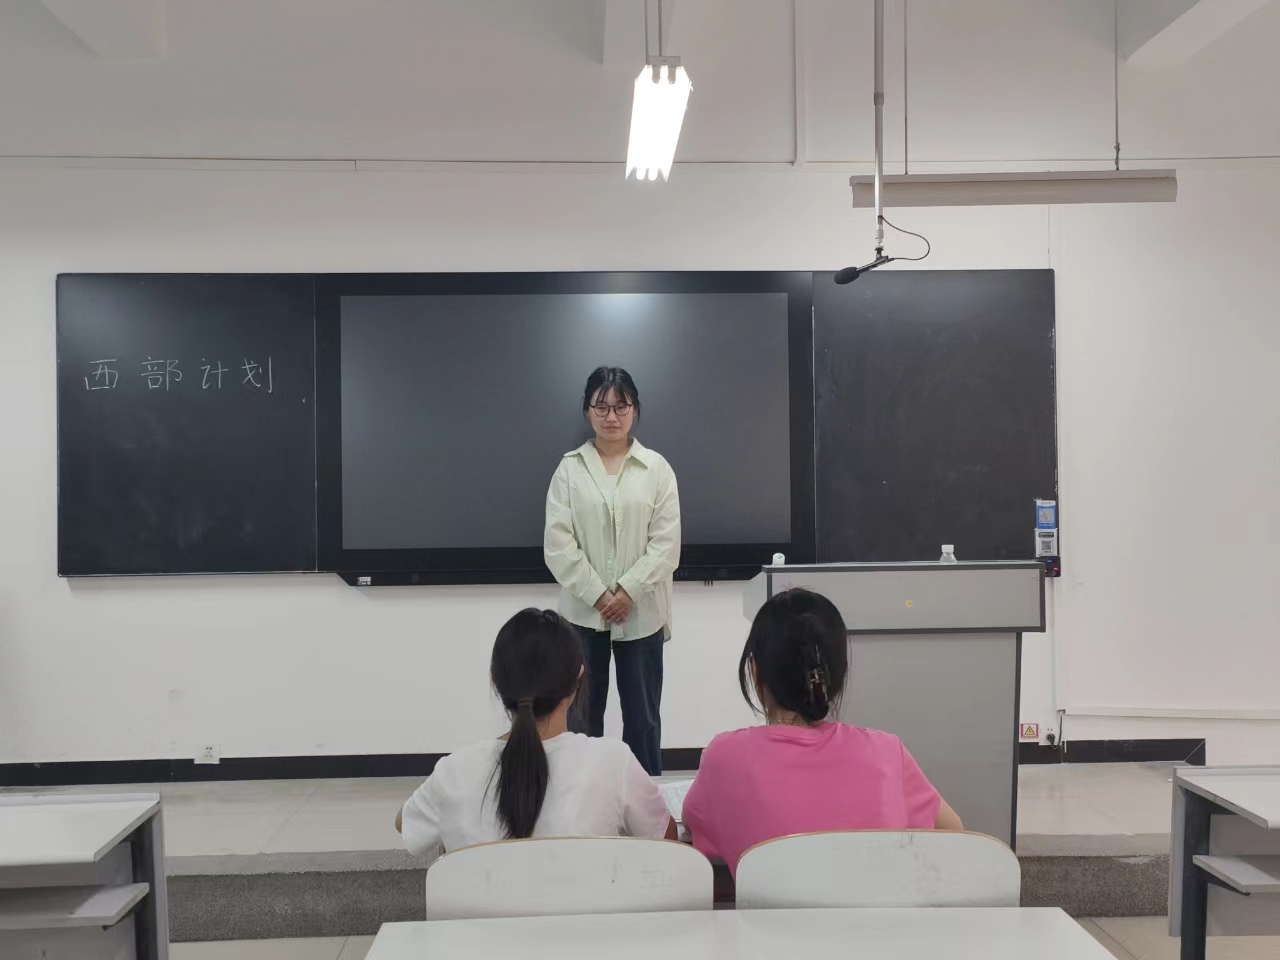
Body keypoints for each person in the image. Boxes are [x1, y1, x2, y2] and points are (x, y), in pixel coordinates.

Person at [681, 588, 963, 875]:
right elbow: (955, 834)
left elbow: (692, 826)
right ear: (838, 674)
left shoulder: (724, 759)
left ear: (755, 672)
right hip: (875, 905)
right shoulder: (887, 753)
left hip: (766, 907)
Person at [397, 608, 675, 860]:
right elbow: (668, 842)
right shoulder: (614, 762)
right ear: (578, 679)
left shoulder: (454, 772)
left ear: (496, 681)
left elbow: (405, 822)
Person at [543, 367, 680, 776]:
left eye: (621, 406)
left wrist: (628, 591)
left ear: (635, 409)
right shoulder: (569, 470)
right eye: (601, 406)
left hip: (642, 614)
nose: (611, 416)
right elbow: (558, 544)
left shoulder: (656, 469)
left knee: (643, 720)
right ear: (587, 411)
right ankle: (583, 801)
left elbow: (666, 543)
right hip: (584, 617)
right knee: (581, 720)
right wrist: (601, 596)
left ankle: (646, 802)